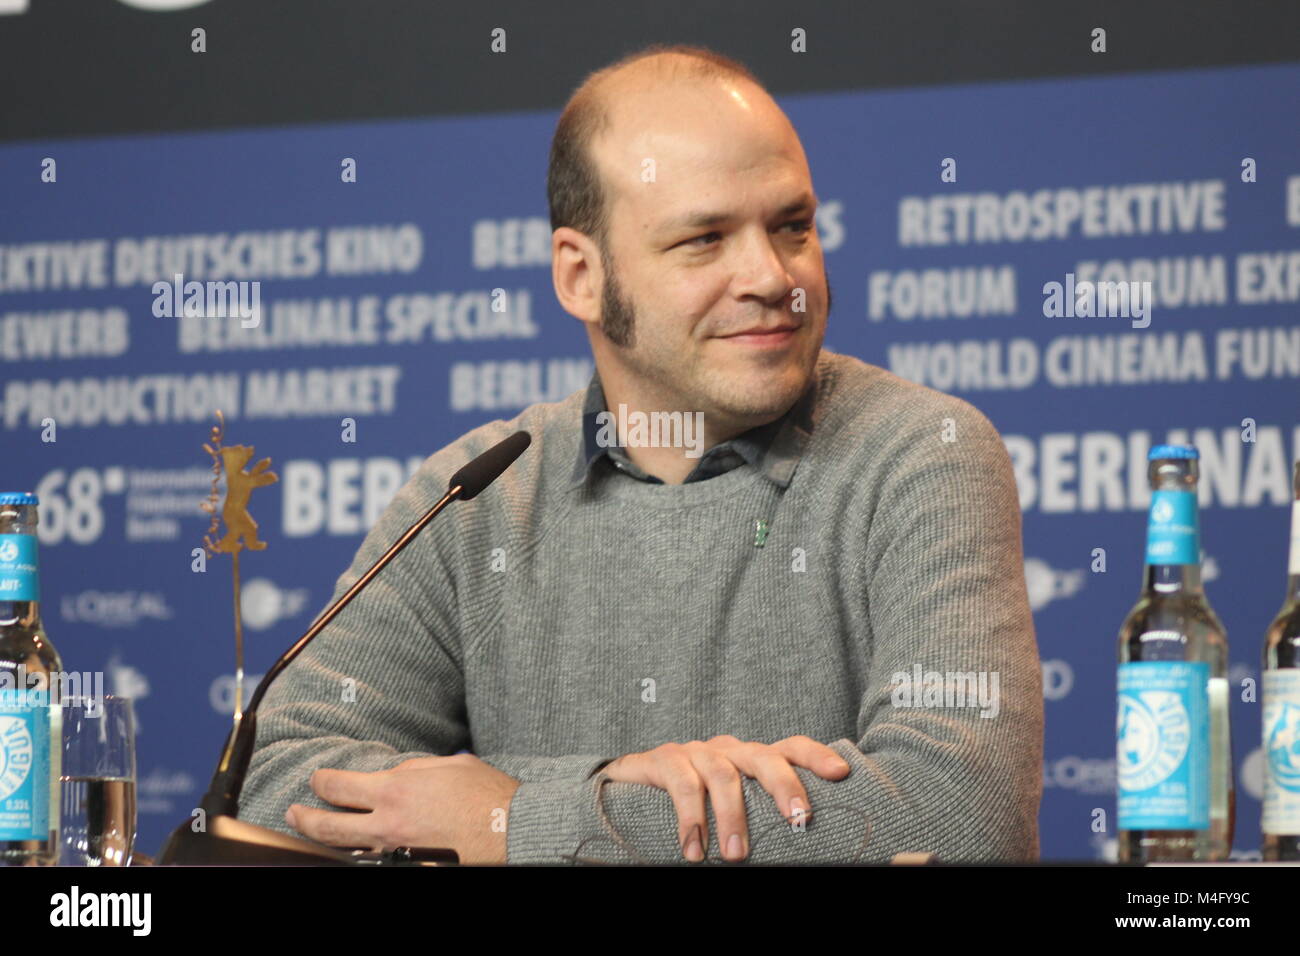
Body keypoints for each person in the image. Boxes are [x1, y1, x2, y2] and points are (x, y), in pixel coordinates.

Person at [238, 43, 1043, 864]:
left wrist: (518, 822)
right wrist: (612, 784)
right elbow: (275, 784)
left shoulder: (921, 455)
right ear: (581, 276)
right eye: (704, 239)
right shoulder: (479, 494)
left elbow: (962, 820)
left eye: (792, 226)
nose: (772, 276)